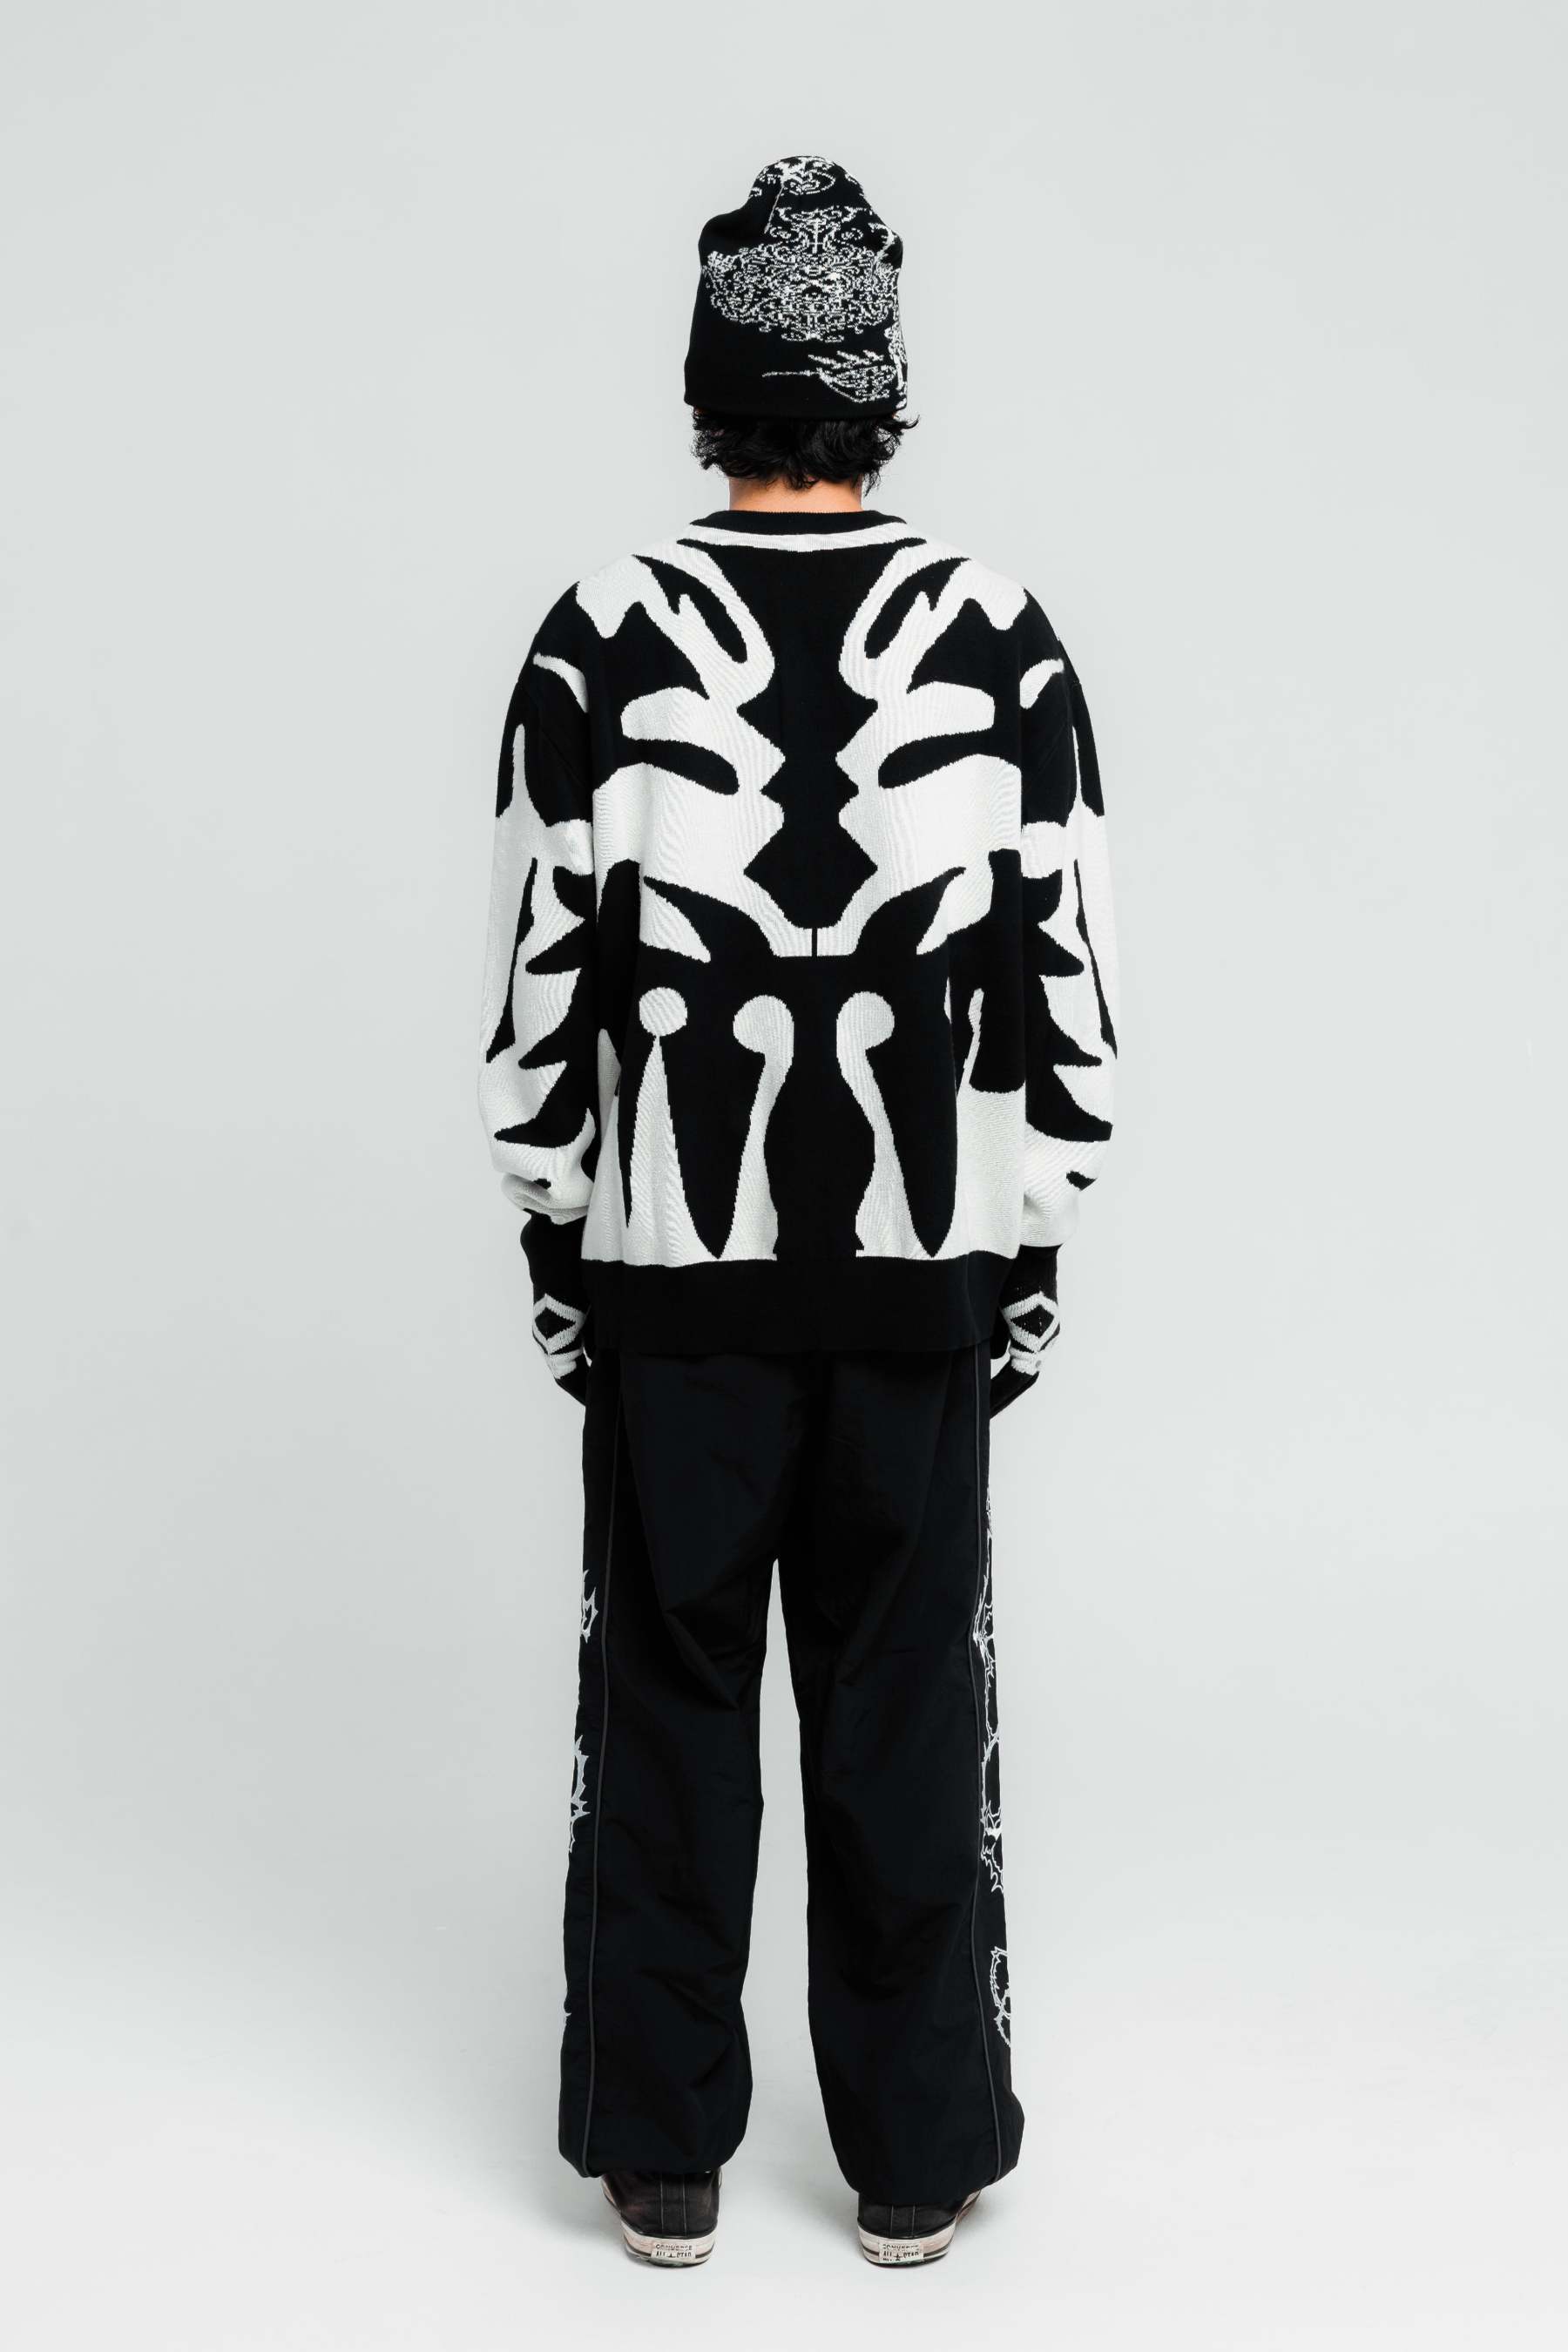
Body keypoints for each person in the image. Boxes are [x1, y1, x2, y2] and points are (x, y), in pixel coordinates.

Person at [476, 154, 1117, 2269]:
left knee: (667, 1697)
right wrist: (1033, 1244)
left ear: (709, 388)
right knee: (906, 1698)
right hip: (925, 1264)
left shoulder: (597, 635)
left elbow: (540, 978)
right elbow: (1067, 977)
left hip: (677, 1265)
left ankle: (662, 2147)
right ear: (883, 390)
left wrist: (559, 1238)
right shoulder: (1006, 640)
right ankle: (916, 2151)